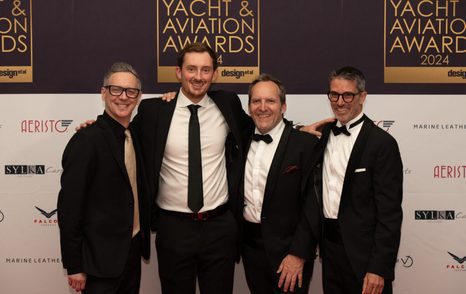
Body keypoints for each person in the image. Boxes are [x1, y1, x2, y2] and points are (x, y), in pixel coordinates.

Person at [132, 42, 252, 294]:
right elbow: (123, 138)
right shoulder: (154, 111)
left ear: (215, 74)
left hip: (219, 227)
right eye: (192, 69)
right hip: (174, 228)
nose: (198, 77)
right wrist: (96, 128)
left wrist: (298, 132)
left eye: (206, 70)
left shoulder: (228, 104)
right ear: (178, 72)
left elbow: (261, 129)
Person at [57, 62, 151, 294]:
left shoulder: (137, 135)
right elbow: (69, 209)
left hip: (131, 255)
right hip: (98, 264)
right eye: (116, 89)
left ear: (138, 97)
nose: (123, 97)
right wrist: (75, 265)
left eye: (131, 91)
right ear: (103, 93)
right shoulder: (86, 140)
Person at [310, 66, 403, 294]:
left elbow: (389, 214)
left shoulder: (382, 144)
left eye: (347, 95)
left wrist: (379, 268)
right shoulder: (321, 136)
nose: (339, 102)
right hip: (329, 252)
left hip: (365, 258)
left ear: (362, 96)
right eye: (334, 94)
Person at [240, 74, 320, 293]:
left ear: (283, 106)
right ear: (249, 107)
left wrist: (298, 254)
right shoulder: (239, 139)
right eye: (256, 101)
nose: (263, 107)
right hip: (250, 248)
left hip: (289, 252)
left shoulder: (305, 144)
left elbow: (313, 205)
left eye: (271, 101)